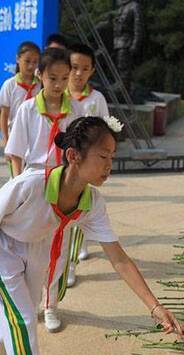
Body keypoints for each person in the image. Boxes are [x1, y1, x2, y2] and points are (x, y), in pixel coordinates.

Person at [0, 116, 184, 355]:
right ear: (74, 156)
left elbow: (119, 258)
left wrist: (154, 306)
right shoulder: (31, 183)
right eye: (102, 156)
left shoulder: (92, 202)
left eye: (112, 157)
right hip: (2, 248)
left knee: (21, 310)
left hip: (36, 248)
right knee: (23, 319)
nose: (109, 165)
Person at [5, 47, 83, 332]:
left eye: (64, 78)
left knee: (57, 248)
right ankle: (30, 301)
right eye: (52, 78)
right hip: (33, 181)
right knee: (29, 248)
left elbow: (79, 151)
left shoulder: (75, 110)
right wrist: (17, 191)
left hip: (62, 183)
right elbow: (15, 153)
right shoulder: (27, 109)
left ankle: (51, 304)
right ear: (39, 75)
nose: (59, 85)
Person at [64, 43, 111, 287]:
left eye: (85, 68)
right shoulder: (60, 97)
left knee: (80, 213)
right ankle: (68, 259)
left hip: (88, 167)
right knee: (66, 217)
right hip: (67, 166)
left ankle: (70, 264)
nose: (78, 74)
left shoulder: (97, 99)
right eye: (74, 67)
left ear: (92, 71)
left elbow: (105, 132)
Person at [0, 41, 41, 178]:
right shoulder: (10, 85)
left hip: (35, 134)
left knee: (32, 173)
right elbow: (4, 116)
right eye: (27, 61)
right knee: (16, 177)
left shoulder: (41, 85)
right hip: (15, 134)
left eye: (35, 62)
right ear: (17, 59)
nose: (31, 66)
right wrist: (6, 142)